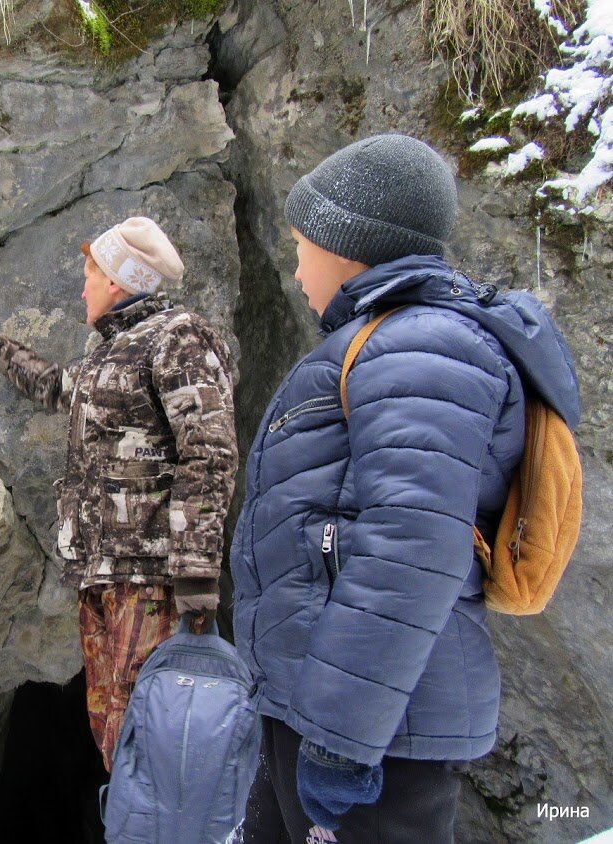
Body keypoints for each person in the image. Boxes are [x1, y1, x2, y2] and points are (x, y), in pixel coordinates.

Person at [230, 135, 581, 842]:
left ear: (350, 244)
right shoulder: (390, 341)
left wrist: (341, 739)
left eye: (303, 243)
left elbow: (412, 549)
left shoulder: (421, 348)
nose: (295, 265)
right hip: (317, 706)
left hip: (377, 733)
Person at [0, 217, 239, 770]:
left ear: (116, 279)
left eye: (89, 273)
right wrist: (1, 352)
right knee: (115, 736)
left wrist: (195, 575)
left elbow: (209, 454)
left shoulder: (178, 337)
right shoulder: (110, 354)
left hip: (152, 582)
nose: (83, 287)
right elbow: (60, 388)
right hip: (100, 575)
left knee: (154, 737)